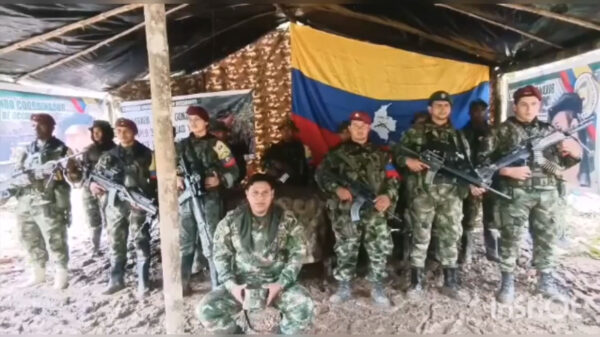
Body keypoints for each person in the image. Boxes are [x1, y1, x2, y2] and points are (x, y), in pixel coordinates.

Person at [476, 85, 581, 303]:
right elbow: (481, 164)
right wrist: (506, 170)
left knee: (546, 238)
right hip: (515, 194)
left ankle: (546, 281)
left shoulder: (549, 131)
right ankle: (507, 282)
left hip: (547, 193)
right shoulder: (499, 132)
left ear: (539, 106)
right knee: (510, 238)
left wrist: (572, 155)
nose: (528, 109)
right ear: (515, 106)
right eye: (523, 104)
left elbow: (561, 163)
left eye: (534, 104)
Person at [196, 174, 314, 334]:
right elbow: (220, 255)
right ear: (247, 194)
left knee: (303, 304)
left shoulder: (286, 220)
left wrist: (281, 283)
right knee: (206, 310)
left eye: (265, 192)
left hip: (275, 282)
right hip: (242, 284)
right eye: (255, 193)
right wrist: (232, 286)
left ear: (272, 194)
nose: (260, 197)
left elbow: (298, 253)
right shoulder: (231, 221)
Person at [393, 91, 479, 301]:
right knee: (419, 237)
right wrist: (408, 162)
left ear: (451, 110)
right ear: (430, 109)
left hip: (451, 196)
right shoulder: (415, 133)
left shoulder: (459, 137)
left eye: (446, 106)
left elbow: (467, 166)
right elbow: (396, 153)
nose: (442, 109)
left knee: (451, 237)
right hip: (423, 195)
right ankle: (416, 283)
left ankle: (451, 283)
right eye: (437, 105)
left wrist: (473, 184)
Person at [315, 111, 400, 307]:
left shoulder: (381, 155)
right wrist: (337, 189)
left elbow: (393, 178)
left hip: (375, 212)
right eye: (355, 126)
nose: (360, 129)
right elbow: (320, 176)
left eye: (363, 126)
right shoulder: (336, 155)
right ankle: (344, 287)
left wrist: (388, 196)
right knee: (346, 249)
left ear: (369, 128)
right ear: (350, 129)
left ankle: (377, 287)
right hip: (346, 212)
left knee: (378, 249)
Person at [4, 113, 81, 289]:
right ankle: (38, 272)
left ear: (52, 127)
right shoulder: (26, 151)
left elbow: (76, 178)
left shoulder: (62, 151)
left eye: (41, 125)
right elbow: (16, 175)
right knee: (28, 236)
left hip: (49, 202)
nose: (37, 128)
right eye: (34, 126)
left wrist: (71, 170)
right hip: (26, 201)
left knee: (55, 238)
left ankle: (61, 273)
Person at [176, 105, 239, 295]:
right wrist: (176, 177)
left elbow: (234, 171)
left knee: (211, 241)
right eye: (190, 120)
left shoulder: (218, 145)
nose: (193, 123)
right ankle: (182, 284)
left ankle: (217, 284)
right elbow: (167, 168)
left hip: (210, 200)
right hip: (187, 200)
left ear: (205, 122)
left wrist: (219, 179)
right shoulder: (180, 146)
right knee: (185, 242)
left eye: (196, 119)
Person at [90, 118, 156, 296]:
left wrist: (146, 198)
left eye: (126, 130)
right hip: (115, 207)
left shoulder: (147, 154)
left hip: (138, 205)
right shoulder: (109, 155)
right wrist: (93, 186)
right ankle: (116, 280)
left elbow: (155, 180)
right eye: (118, 131)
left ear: (134, 132)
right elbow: (95, 177)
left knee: (141, 241)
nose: (122, 134)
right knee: (116, 243)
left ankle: (143, 281)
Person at [459, 99, 489, 264]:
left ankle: (493, 251)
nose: (479, 114)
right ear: (469, 113)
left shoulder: (492, 132)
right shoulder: (463, 133)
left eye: (482, 111)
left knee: (492, 217)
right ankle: (466, 251)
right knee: (468, 218)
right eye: (475, 111)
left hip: (490, 180)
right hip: (469, 180)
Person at [81, 120, 116, 255]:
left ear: (106, 133)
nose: (95, 135)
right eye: (93, 132)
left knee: (111, 219)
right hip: (90, 189)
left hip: (108, 190)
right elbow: (84, 173)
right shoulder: (88, 151)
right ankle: (95, 247)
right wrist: (90, 185)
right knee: (93, 219)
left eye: (98, 132)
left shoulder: (116, 150)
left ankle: (113, 246)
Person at [263, 119, 312, 186]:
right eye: (284, 130)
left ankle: (280, 183)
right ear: (281, 131)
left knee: (286, 174)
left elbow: (307, 162)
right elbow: (265, 162)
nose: (286, 132)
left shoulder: (301, 147)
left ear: (293, 131)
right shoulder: (275, 147)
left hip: (295, 176)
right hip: (280, 175)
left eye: (289, 130)